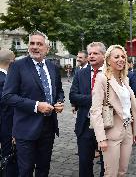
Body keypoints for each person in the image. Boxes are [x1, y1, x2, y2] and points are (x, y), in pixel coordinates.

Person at [1, 31, 65, 177]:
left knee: (43, 169)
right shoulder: (17, 66)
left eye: (39, 44)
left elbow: (59, 91)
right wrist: (36, 105)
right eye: (32, 43)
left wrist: (59, 102)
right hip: (25, 128)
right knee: (26, 170)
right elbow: (8, 96)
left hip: (48, 127)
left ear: (47, 49)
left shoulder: (53, 67)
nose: (35, 47)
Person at [90, 45, 136, 177]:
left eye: (123, 56)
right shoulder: (102, 78)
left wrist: (134, 131)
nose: (121, 59)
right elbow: (95, 111)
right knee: (110, 173)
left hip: (127, 130)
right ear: (108, 60)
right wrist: (100, 139)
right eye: (116, 56)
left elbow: (130, 107)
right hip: (112, 132)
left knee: (122, 172)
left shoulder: (125, 80)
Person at [69, 42, 105, 177]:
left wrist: (85, 99)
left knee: (106, 164)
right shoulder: (80, 73)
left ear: (103, 55)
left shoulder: (110, 73)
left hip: (106, 125)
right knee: (84, 163)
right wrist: (96, 98)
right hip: (85, 124)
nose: (91, 56)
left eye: (95, 53)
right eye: (90, 54)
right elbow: (73, 96)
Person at [0, 49, 18, 177]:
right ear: (12, 63)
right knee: (10, 162)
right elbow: (9, 109)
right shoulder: (5, 81)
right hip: (6, 130)